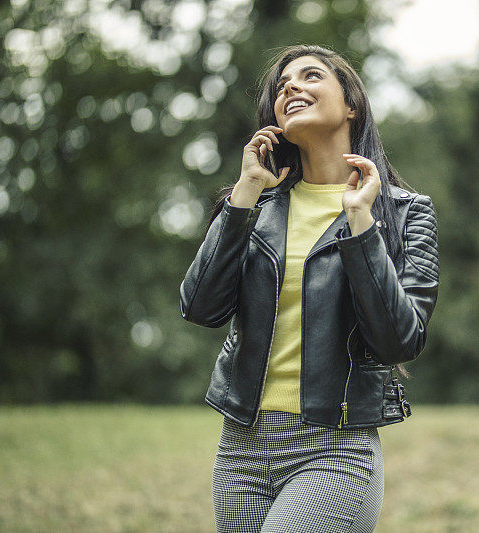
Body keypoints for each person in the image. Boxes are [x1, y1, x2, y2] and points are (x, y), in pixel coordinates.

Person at [179, 44, 439, 533]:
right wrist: (244, 196)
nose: (290, 87)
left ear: (351, 105)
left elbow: (400, 340)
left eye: (310, 76)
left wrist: (360, 222)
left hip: (335, 449)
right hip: (241, 449)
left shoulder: (404, 214)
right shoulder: (255, 206)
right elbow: (199, 307)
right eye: (281, 86)